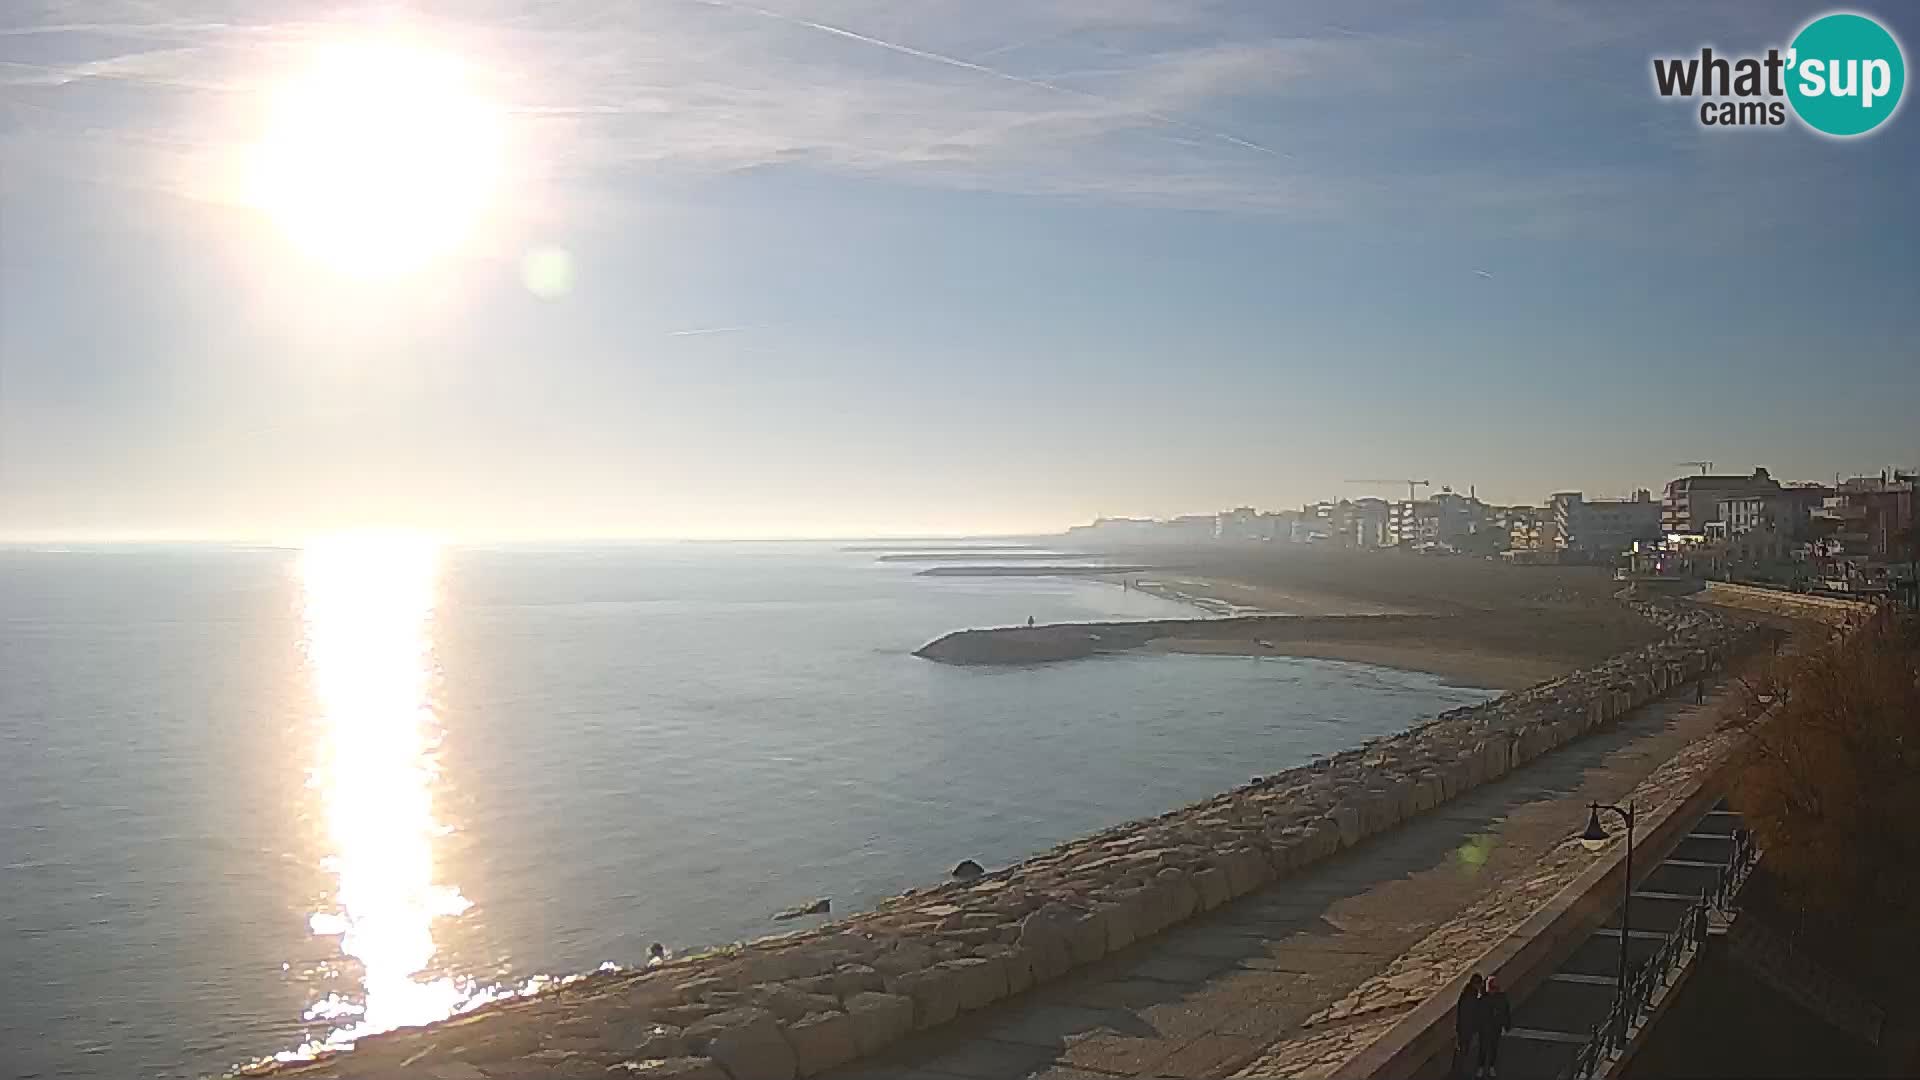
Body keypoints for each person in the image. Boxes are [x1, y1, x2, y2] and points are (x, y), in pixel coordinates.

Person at [1477, 974, 1511, 1077]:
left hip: (1495, 1027)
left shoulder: (1501, 998)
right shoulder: (1483, 999)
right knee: (1483, 1048)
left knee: (1493, 1048)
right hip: (1485, 1027)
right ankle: (1481, 1067)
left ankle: (1491, 1066)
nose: (1493, 990)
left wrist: (1506, 1026)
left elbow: (1505, 1012)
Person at [1451, 973, 1484, 1080]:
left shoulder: (1468, 993)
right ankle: (1460, 1073)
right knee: (1465, 1051)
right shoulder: (1470, 996)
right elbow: (1470, 1014)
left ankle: (1459, 1072)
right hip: (1467, 1028)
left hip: (1464, 1028)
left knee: (1463, 1050)